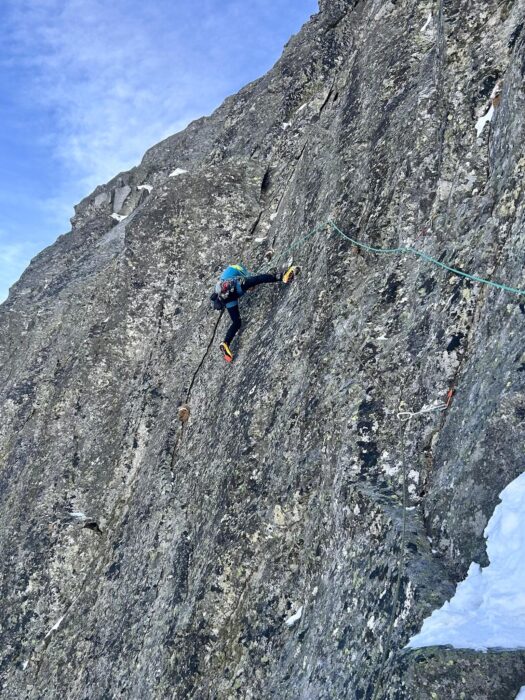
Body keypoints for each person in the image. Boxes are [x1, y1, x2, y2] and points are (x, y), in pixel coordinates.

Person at [210, 263, 298, 362]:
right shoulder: (236, 269)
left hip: (228, 298)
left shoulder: (224, 278)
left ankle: (225, 342)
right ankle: (283, 276)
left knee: (236, 322)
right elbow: (248, 279)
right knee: (258, 279)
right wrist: (248, 281)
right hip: (235, 287)